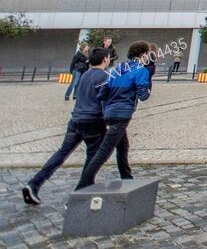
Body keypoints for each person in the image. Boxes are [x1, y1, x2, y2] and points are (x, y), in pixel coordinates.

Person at [23, 48, 123, 204]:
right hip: (93, 121)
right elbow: (104, 101)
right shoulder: (105, 77)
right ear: (105, 59)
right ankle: (81, 192)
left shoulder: (84, 76)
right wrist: (109, 121)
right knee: (94, 157)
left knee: (61, 153)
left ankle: (34, 183)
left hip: (76, 119)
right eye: (109, 57)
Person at [75, 41, 152, 190]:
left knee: (123, 145)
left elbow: (102, 94)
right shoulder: (140, 70)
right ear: (143, 55)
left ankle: (127, 177)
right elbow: (143, 95)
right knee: (104, 151)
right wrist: (147, 89)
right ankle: (82, 185)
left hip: (110, 112)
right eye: (147, 54)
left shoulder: (116, 69)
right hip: (122, 113)